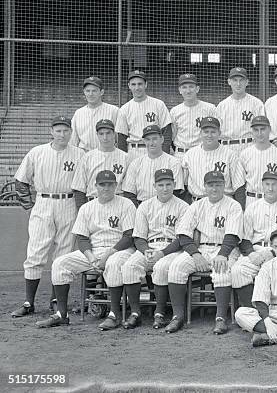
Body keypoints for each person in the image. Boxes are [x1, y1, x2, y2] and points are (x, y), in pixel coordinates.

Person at [34, 170, 136, 328]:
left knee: (113, 264)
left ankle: (114, 314)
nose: (106, 188)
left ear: (116, 186)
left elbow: (129, 236)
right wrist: (91, 258)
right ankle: (62, 314)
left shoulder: (126, 204)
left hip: (120, 250)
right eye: (102, 184)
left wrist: (107, 255)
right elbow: (82, 238)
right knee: (60, 263)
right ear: (95, 186)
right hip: (93, 251)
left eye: (110, 184)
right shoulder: (87, 208)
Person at [11, 116, 84, 318]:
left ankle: (56, 301)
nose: (62, 134)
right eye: (58, 130)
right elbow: (20, 181)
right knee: (36, 252)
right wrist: (29, 207)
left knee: (63, 253)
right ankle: (28, 302)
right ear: (51, 131)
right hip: (43, 201)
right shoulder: (37, 152)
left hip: (69, 202)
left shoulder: (79, 154)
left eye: (66, 131)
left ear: (71, 132)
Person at [102, 169, 189, 330]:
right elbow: (139, 237)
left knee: (161, 267)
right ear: (154, 186)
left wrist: (162, 253)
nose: (165, 188)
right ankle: (136, 313)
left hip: (172, 248)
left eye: (168, 184)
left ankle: (160, 313)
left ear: (174, 185)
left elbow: (182, 238)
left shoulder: (183, 206)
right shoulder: (145, 206)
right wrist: (148, 252)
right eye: (161, 185)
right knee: (129, 266)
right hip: (149, 247)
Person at [164, 171, 243, 334]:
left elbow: (233, 235)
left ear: (224, 186)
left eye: (218, 184)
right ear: (205, 187)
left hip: (224, 249)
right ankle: (177, 316)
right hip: (201, 249)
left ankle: (220, 318)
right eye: (211, 185)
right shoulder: (196, 206)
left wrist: (222, 254)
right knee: (176, 267)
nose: (214, 188)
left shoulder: (233, 205)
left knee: (222, 271)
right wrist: (195, 254)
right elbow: (184, 234)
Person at [231, 171, 277, 307]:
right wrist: (251, 253)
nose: (270, 188)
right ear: (262, 185)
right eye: (267, 184)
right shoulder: (252, 208)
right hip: (256, 250)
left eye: (274, 184)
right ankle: (251, 310)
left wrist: (273, 252)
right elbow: (244, 238)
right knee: (237, 271)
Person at [116, 70, 172, 164]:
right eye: (133, 84)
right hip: (133, 151)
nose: (137, 88)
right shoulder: (124, 109)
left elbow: (167, 132)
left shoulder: (158, 104)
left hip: (155, 150)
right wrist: (123, 159)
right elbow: (121, 138)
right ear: (129, 86)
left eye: (140, 84)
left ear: (145, 85)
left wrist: (164, 155)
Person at [71, 119, 128, 211]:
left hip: (118, 204)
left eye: (108, 133)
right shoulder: (87, 157)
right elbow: (79, 189)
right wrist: (82, 210)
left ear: (114, 134)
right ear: (97, 135)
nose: (105, 137)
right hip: (93, 204)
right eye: (101, 134)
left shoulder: (126, 157)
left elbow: (129, 190)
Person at [121, 125, 184, 206]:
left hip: (168, 207)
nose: (151, 143)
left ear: (162, 139)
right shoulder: (135, 163)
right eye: (148, 139)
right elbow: (129, 193)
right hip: (141, 206)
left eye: (154, 139)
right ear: (143, 141)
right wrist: (139, 211)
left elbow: (176, 192)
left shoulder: (173, 162)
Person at [233, 115, 277, 209]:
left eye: (263, 129)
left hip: (275, 201)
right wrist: (242, 207)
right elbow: (239, 185)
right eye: (256, 130)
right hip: (252, 199)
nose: (259, 133)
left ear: (269, 129)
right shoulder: (244, 154)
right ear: (252, 131)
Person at [181, 116, 239, 201]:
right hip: (197, 202)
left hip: (224, 202)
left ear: (219, 133)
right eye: (206, 132)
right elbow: (185, 184)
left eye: (213, 132)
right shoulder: (190, 154)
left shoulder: (230, 155)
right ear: (200, 133)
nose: (209, 135)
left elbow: (238, 186)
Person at [216, 67, 265, 153]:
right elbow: (216, 131)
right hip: (226, 148)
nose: (238, 84)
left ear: (247, 82)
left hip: (249, 146)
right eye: (235, 80)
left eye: (241, 80)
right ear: (229, 82)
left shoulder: (256, 104)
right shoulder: (222, 105)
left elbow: (262, 129)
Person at [169, 73, 217, 159]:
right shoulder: (175, 111)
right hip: (180, 154)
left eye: (191, 86)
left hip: (202, 154)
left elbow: (216, 133)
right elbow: (172, 136)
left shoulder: (210, 109)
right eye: (184, 87)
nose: (188, 91)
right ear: (179, 90)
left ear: (197, 89)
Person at [70, 76, 119, 152]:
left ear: (101, 92)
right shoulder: (78, 113)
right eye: (88, 91)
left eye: (94, 91)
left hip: (106, 154)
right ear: (84, 92)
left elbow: (118, 137)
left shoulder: (113, 111)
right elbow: (73, 139)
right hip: (84, 155)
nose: (90, 94)